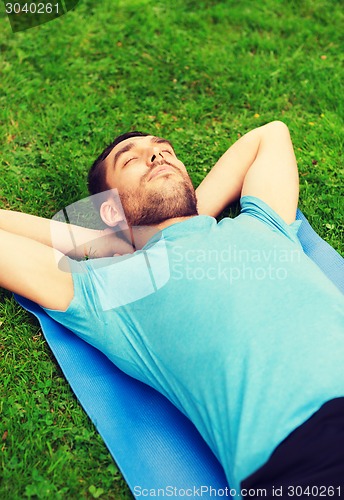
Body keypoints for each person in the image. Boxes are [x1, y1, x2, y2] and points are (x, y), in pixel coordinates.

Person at [1, 121, 343, 498]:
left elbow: (271, 134)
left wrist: (183, 213)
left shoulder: (263, 224)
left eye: (164, 151)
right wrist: (98, 239)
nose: (157, 155)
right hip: (304, 461)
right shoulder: (115, 286)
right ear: (108, 210)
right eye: (131, 160)